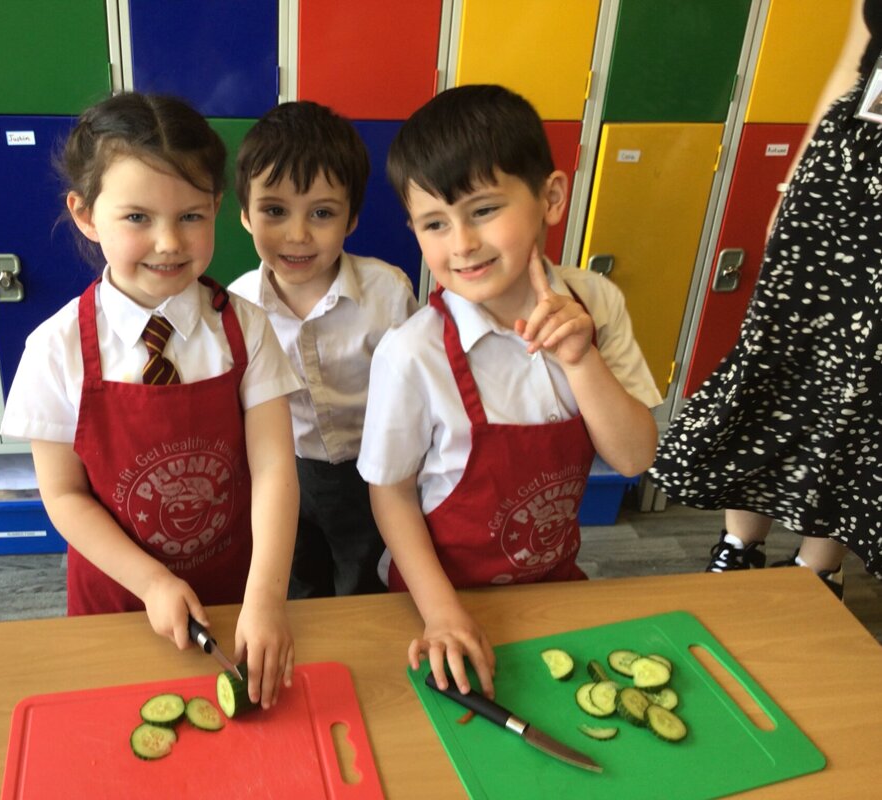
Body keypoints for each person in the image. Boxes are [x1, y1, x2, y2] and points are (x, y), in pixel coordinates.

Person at [357, 85, 662, 697]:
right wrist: (441, 612)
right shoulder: (412, 353)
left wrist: (581, 360)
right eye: (435, 223)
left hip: (555, 584)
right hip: (437, 597)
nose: (462, 243)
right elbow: (389, 495)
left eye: (484, 209)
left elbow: (634, 457)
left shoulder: (596, 304)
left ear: (551, 197)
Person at [0, 92, 301, 708]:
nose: (168, 243)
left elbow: (273, 467)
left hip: (234, 594)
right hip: (118, 598)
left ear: (218, 207)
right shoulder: (54, 348)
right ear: (85, 215)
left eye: (191, 216)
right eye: (137, 218)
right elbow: (63, 495)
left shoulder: (246, 328)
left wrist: (266, 598)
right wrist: (152, 581)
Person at [648, 1, 882, 599]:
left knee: (864, 385)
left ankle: (817, 571)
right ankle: (736, 547)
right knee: (773, 353)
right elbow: (850, 66)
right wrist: (795, 181)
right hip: (843, 168)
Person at [228, 101, 419, 599]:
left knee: (365, 581)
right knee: (297, 579)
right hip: (282, 471)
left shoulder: (387, 291)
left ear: (351, 218)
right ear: (245, 214)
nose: (297, 234)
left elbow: (419, 388)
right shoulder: (237, 305)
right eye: (274, 210)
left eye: (322, 213)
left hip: (374, 468)